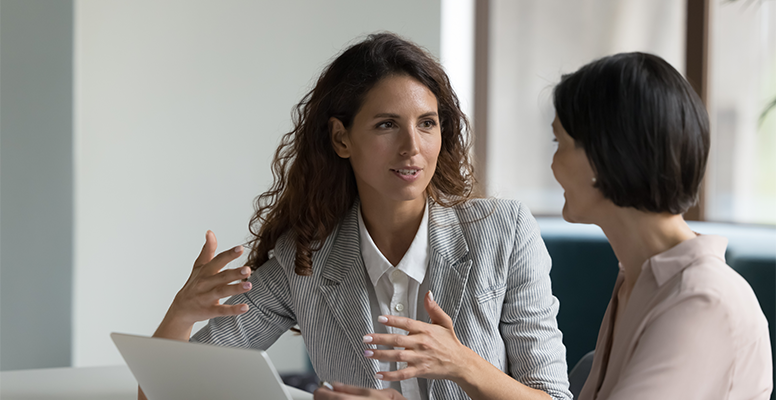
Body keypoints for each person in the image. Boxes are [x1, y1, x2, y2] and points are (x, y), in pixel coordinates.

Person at [144, 32, 572, 400]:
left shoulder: (504, 230)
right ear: (341, 138)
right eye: (387, 125)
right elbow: (165, 392)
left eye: (427, 123)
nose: (412, 147)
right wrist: (181, 314)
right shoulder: (305, 259)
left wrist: (462, 364)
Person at [549, 52, 772, 399]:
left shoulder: (702, 299)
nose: (552, 164)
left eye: (559, 143)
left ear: (602, 157)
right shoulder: (637, 280)